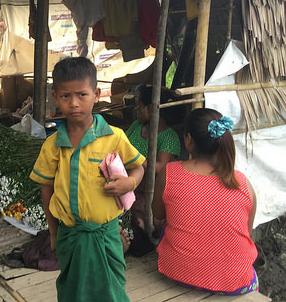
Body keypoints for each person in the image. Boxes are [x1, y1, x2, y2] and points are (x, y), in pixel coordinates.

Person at [30, 57, 145, 302]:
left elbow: (139, 167)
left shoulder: (114, 137)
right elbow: (46, 189)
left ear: (95, 93)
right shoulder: (53, 145)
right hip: (69, 235)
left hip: (107, 235)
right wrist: (53, 231)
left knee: (111, 291)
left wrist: (130, 183)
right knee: (73, 291)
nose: (73, 103)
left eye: (82, 95)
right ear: (54, 96)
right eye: (65, 96)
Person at [153, 108, 259, 294]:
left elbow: (158, 214)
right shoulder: (243, 183)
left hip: (176, 272)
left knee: (167, 223)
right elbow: (246, 233)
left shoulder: (169, 172)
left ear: (188, 139)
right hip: (235, 283)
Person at [125, 84, 181, 231]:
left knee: (139, 218)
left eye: (139, 107)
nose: (137, 111)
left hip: (149, 190)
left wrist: (135, 158)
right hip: (128, 181)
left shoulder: (169, 137)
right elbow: (121, 145)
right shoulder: (137, 126)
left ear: (150, 108)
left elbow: (159, 167)